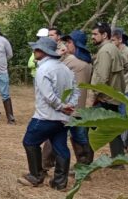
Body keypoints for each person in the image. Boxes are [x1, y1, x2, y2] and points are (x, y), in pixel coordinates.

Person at [17, 36, 79, 191]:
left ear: (44, 51)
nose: (34, 51)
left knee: (29, 142)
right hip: (63, 118)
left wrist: (61, 106)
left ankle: (36, 176)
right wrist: (69, 105)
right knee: (60, 147)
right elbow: (76, 90)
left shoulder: (43, 70)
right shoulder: (65, 68)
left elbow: (48, 96)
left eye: (37, 49)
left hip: (46, 116)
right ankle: (60, 183)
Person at [40, 32, 95, 172]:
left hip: (68, 107)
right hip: (78, 107)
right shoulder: (87, 61)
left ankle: (44, 165)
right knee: (80, 139)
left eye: (68, 42)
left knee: (53, 137)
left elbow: (51, 66)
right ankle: (84, 167)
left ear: (76, 44)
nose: (65, 45)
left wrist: (59, 53)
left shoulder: (72, 61)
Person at [90, 22, 126, 160]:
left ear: (104, 35)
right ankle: (119, 158)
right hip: (113, 96)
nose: (92, 37)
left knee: (87, 128)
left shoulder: (105, 51)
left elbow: (102, 77)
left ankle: (85, 162)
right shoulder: (113, 48)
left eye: (95, 34)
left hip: (105, 97)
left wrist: (95, 96)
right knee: (112, 129)